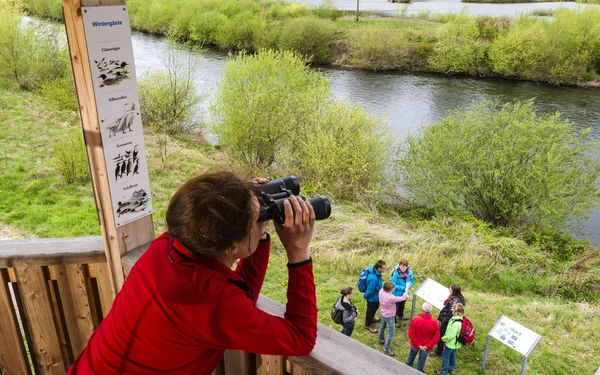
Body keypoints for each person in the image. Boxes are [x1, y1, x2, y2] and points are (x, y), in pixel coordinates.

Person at [67, 172, 318, 375]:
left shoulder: (166, 246)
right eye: (258, 218)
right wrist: (298, 252)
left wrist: (243, 210)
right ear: (231, 247)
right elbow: (301, 337)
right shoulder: (210, 301)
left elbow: (239, 298)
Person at [406, 302, 440, 373]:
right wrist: (427, 346)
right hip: (426, 347)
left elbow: (411, 333)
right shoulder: (434, 322)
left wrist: (418, 345)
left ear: (422, 309)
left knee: (411, 356)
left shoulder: (415, 319)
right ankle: (418, 372)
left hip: (415, 344)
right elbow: (436, 337)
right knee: (422, 360)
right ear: (430, 310)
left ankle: (407, 369)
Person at [433, 284, 465, 356]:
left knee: (441, 334)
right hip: (455, 320)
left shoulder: (453, 302)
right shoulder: (461, 298)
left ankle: (439, 351)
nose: (449, 290)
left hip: (447, 321)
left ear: (453, 291)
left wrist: (443, 320)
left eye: (450, 289)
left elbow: (449, 314)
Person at [377, 281, 408, 356]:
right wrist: (406, 291)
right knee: (391, 333)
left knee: (382, 326)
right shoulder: (390, 297)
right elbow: (402, 298)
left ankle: (381, 339)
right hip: (389, 315)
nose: (394, 289)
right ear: (390, 289)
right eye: (393, 289)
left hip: (383, 312)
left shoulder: (381, 291)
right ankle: (385, 349)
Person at [435, 303, 465, 375]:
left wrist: (443, 339)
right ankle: (451, 369)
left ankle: (443, 371)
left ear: (456, 311)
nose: (451, 310)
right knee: (452, 355)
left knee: (445, 356)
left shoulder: (455, 323)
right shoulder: (460, 320)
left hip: (450, 343)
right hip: (455, 344)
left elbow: (451, 335)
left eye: (453, 309)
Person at [364, 260, 387, 333]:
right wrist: (366, 296)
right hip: (372, 298)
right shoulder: (373, 278)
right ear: (378, 268)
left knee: (374, 309)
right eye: (383, 268)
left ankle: (372, 319)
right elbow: (370, 290)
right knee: (370, 311)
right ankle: (368, 325)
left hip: (376, 296)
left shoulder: (377, 273)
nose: (385, 269)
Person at [391, 258, 414, 326]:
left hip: (404, 293)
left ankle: (400, 314)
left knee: (402, 304)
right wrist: (404, 288)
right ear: (399, 265)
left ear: (407, 267)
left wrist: (409, 287)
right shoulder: (396, 273)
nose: (402, 268)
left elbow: (411, 281)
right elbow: (393, 284)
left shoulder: (409, 273)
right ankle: (394, 320)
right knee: (395, 306)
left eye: (404, 267)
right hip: (396, 293)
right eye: (401, 266)